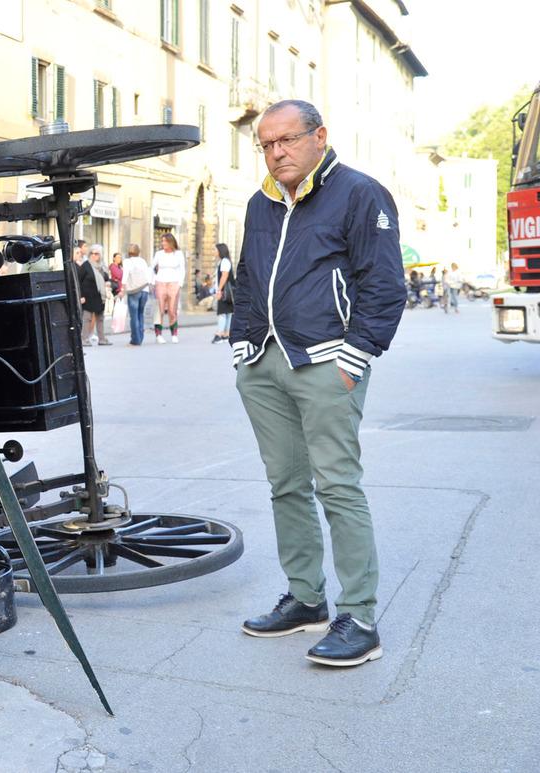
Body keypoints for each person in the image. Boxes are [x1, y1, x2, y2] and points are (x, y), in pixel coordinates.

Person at [231, 100, 405, 667]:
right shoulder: (261, 202)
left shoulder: (359, 193)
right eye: (266, 143)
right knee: (285, 484)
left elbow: (383, 284)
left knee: (337, 486)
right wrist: (242, 344)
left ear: (319, 136)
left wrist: (355, 356)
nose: (276, 151)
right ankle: (306, 599)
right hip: (264, 361)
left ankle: (359, 617)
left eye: (287, 139)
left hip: (328, 361)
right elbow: (247, 275)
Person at [151, 233, 185, 343]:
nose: (163, 243)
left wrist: (180, 284)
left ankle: (174, 333)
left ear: (171, 242)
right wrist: (153, 280)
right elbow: (151, 267)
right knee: (159, 309)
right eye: (162, 241)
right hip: (160, 282)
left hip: (174, 283)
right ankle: (158, 334)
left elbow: (182, 269)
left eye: (165, 241)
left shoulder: (178, 254)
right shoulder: (159, 254)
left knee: (172, 309)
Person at [76, 245, 110, 345]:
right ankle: (84, 339)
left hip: (99, 296)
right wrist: (81, 296)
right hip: (88, 296)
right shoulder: (86, 265)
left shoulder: (102, 266)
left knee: (100, 318)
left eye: (96, 254)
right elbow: (78, 281)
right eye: (92, 253)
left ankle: (102, 339)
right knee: (87, 318)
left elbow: (106, 278)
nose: (94, 256)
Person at [121, 244, 153, 345]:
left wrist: (123, 289)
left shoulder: (127, 261)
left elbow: (125, 275)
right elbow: (148, 275)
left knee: (133, 316)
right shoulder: (142, 261)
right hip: (145, 289)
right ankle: (140, 337)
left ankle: (135, 339)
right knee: (140, 314)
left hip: (134, 290)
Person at [212, 243, 235, 343]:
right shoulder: (225, 261)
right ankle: (226, 334)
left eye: (215, 250)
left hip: (225, 292)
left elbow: (224, 276)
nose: (214, 252)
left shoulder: (224, 262)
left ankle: (219, 334)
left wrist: (219, 290)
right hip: (228, 292)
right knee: (228, 313)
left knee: (222, 313)